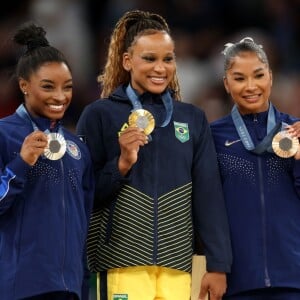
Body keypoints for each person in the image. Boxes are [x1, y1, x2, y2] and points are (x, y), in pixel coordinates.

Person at [76, 9, 232, 300]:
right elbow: (83, 196)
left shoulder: (193, 119)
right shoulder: (99, 115)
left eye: (168, 59)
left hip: (176, 267)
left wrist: (218, 264)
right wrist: (121, 164)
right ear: (127, 61)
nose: (160, 68)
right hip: (119, 262)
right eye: (149, 58)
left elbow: (208, 195)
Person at [0, 22, 94, 300]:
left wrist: (82, 283)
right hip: (20, 287)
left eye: (67, 87)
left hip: (69, 288)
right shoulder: (4, 134)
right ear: (24, 85)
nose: (60, 96)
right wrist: (21, 162)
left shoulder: (77, 148)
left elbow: (84, 222)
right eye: (48, 86)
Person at [210, 37, 300, 299]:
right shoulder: (213, 137)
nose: (251, 86)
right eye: (239, 78)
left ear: (270, 77)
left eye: (258, 75)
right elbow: (207, 206)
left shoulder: (294, 130)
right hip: (237, 281)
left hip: (293, 279)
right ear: (226, 84)